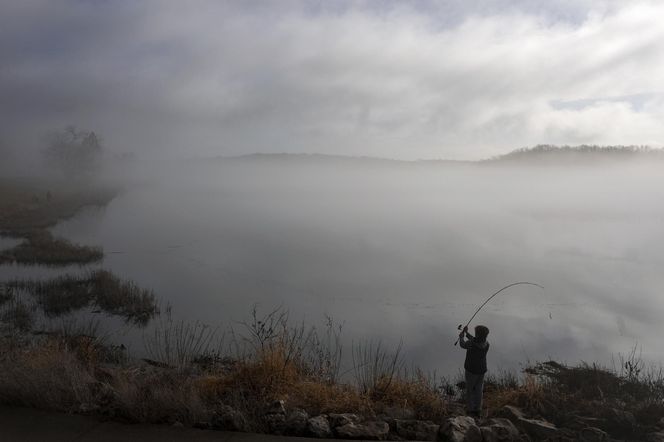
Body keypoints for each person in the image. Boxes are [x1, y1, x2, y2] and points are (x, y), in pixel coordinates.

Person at [458, 324, 490, 418]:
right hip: (481, 370)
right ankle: (478, 409)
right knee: (479, 389)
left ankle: (470, 410)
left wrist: (461, 337)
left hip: (471, 370)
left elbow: (463, 345)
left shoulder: (471, 343)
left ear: (478, 334)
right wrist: (467, 333)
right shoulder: (487, 343)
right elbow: (475, 339)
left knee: (470, 389)